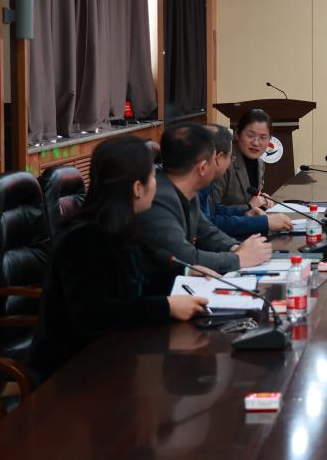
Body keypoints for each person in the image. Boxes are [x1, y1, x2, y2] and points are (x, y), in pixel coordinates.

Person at [30, 136, 209, 379]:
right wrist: (166, 306)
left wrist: (188, 272)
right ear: (137, 188)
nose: (156, 184)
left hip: (114, 357)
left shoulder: (121, 225)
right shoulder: (84, 238)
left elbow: (138, 283)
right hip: (72, 372)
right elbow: (93, 315)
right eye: (153, 177)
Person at [137, 123, 272, 294]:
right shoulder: (158, 200)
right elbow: (187, 257)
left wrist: (236, 247)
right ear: (202, 168)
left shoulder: (186, 189)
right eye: (213, 158)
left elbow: (206, 231)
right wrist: (239, 258)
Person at [199, 124, 292, 238]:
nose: (256, 142)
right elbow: (211, 225)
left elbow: (215, 211)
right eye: (230, 158)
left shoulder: (205, 182)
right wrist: (263, 222)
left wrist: (247, 211)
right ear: (219, 158)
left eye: (263, 137)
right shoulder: (197, 186)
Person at [211, 109, 272, 208]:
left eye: (263, 137)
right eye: (250, 135)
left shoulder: (260, 163)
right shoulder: (223, 162)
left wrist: (261, 198)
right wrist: (249, 206)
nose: (256, 143)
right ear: (237, 134)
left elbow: (251, 199)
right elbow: (212, 209)